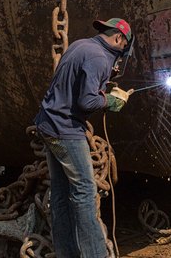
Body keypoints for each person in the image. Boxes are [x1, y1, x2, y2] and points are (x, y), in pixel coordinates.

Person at [34, 18, 133, 258]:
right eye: (122, 49)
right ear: (119, 38)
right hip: (65, 130)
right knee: (85, 193)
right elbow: (86, 101)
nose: (119, 57)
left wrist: (102, 92)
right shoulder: (99, 58)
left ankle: (66, 253)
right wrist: (110, 101)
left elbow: (75, 86)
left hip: (47, 123)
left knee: (60, 193)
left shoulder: (81, 45)